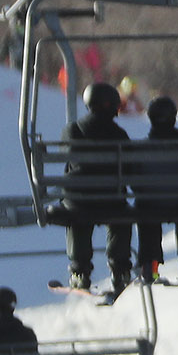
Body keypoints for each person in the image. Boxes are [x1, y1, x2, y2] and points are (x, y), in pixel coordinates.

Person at [58, 80, 135, 291]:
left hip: (80, 202)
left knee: (77, 215)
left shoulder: (72, 131)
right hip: (112, 201)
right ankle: (120, 270)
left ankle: (79, 270)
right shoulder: (120, 135)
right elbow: (129, 169)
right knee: (120, 217)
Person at [133, 95, 178, 285]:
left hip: (150, 205)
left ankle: (150, 266)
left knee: (144, 209)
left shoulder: (143, 148)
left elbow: (134, 182)